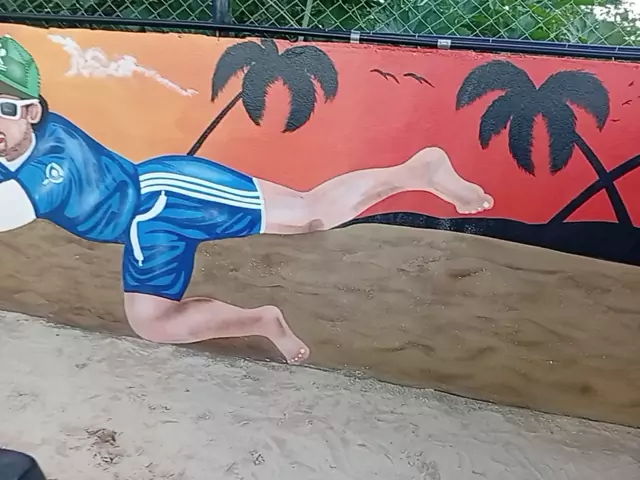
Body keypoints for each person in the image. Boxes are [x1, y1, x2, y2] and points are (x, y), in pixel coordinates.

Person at [0, 34, 493, 364]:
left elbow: (10, 210)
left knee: (309, 214)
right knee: (153, 322)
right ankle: (261, 320)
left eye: (5, 106)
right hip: (143, 232)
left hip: (170, 193)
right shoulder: (12, 147)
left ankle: (417, 170)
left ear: (33, 112)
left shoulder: (52, 162)